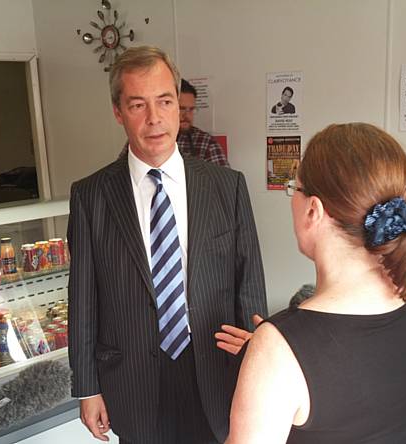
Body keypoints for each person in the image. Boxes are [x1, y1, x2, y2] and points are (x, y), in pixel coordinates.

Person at [68, 46, 267, 444]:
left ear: (179, 105)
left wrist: (258, 368)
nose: (154, 118)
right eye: (138, 105)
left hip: (216, 369)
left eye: (164, 101)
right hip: (133, 381)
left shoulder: (226, 186)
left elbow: (250, 287)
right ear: (118, 112)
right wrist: (87, 388)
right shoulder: (92, 195)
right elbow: (83, 298)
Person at [226, 123, 406, 444]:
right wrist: (273, 363)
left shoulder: (279, 352)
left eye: (294, 188)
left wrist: (272, 361)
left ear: (313, 210)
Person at [119, 78, 230, 167]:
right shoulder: (146, 139)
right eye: (182, 108)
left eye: (191, 109)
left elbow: (224, 186)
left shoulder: (206, 144)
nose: (186, 115)